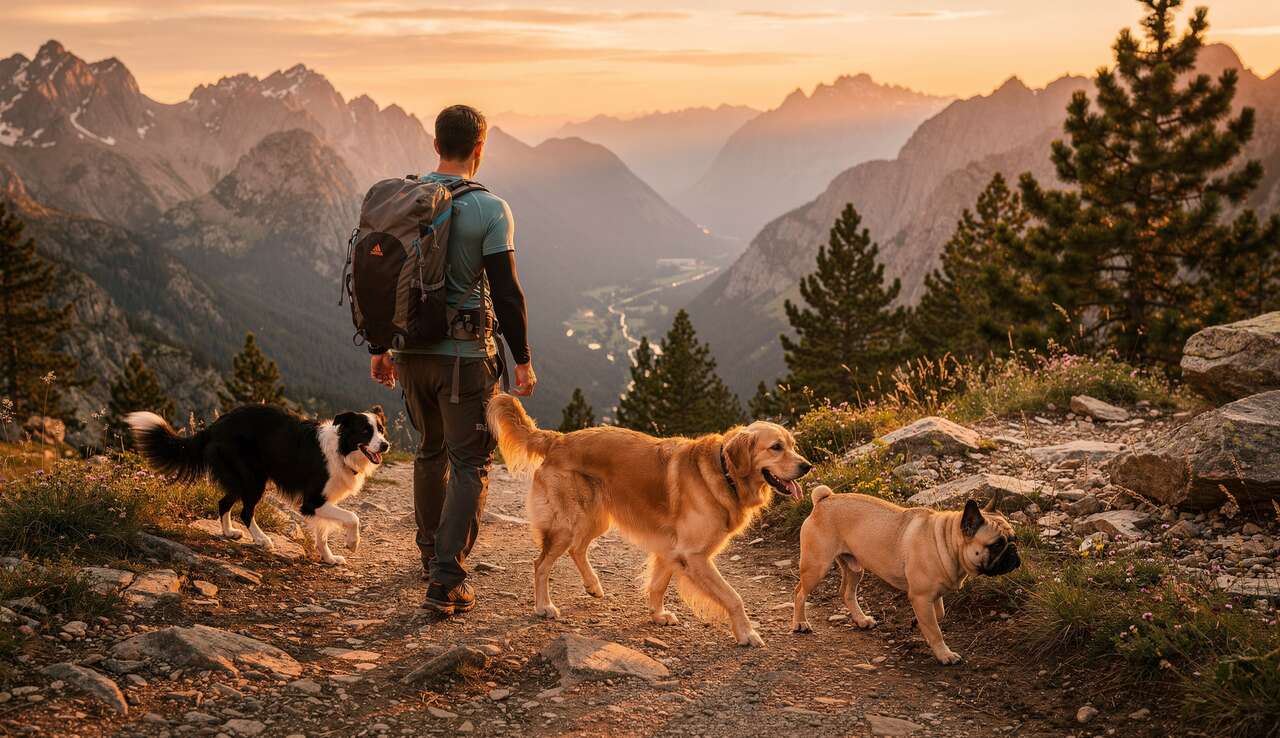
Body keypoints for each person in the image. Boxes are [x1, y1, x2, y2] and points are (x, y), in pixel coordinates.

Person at [368, 104, 535, 615]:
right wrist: (522, 358)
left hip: (410, 351)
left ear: (437, 143)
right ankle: (446, 578)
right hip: (464, 358)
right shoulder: (490, 209)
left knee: (429, 451)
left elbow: (378, 280)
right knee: (469, 461)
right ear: (479, 149)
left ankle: (430, 555)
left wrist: (380, 346)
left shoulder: (406, 200)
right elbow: (506, 293)